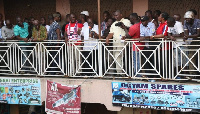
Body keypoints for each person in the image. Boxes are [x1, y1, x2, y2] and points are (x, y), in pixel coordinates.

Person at [106, 10, 131, 76]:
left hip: (123, 42)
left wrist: (123, 26)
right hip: (115, 43)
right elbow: (111, 33)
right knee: (116, 57)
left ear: (121, 15)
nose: (115, 17)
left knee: (118, 56)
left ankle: (119, 73)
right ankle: (119, 72)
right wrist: (107, 38)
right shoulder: (114, 24)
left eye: (117, 15)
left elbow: (130, 30)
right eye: (114, 15)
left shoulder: (126, 21)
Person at [149, 12, 171, 78]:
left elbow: (164, 34)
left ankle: (166, 76)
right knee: (159, 62)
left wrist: (153, 37)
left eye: (159, 16)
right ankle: (160, 75)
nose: (158, 17)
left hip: (165, 47)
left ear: (163, 18)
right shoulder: (160, 24)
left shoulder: (166, 24)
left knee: (165, 63)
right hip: (159, 46)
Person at [183, 11, 200, 76]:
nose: (187, 20)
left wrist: (188, 36)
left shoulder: (198, 22)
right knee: (191, 55)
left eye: (188, 18)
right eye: (186, 18)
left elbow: (198, 34)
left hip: (198, 37)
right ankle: (192, 73)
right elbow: (186, 33)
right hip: (195, 39)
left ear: (192, 18)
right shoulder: (185, 22)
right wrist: (185, 37)